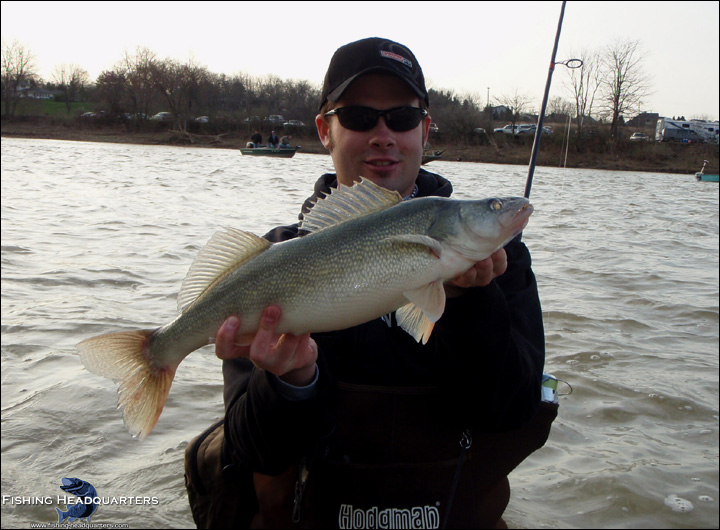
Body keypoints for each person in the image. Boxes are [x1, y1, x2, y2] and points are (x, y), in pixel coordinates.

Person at [185, 37, 555, 529]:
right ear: (325, 130)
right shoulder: (270, 261)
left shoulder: (501, 262)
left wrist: (471, 306)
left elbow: (510, 412)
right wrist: (290, 382)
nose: (383, 135)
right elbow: (253, 451)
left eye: (401, 118)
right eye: (359, 117)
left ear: (425, 130)